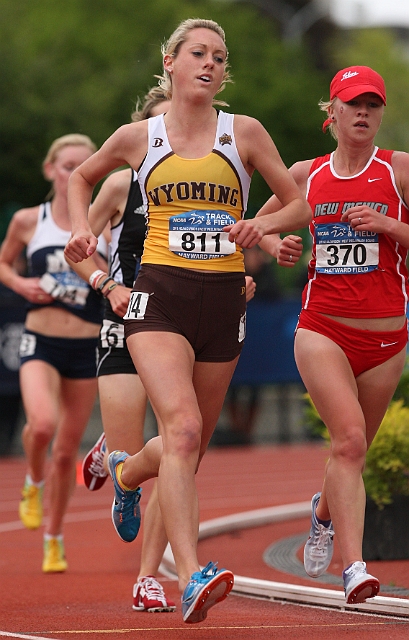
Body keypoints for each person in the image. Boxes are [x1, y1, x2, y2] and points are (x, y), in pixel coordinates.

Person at [65, 17, 311, 624]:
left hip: (225, 299)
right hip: (160, 297)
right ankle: (190, 572)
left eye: (220, 57)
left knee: (189, 447)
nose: (210, 63)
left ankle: (125, 475)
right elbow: (79, 176)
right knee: (181, 428)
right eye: (198, 53)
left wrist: (267, 225)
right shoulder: (137, 136)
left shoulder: (245, 132)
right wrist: (78, 229)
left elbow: (302, 200)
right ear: (170, 63)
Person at [255, 65, 409, 604]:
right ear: (334, 112)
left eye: (373, 104)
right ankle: (354, 567)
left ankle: (322, 512)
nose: (364, 113)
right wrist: (278, 247)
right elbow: (258, 227)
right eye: (354, 104)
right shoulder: (306, 175)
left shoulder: (399, 172)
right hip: (323, 328)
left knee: (353, 451)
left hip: (387, 340)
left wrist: (390, 226)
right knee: (347, 440)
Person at [68, 86, 176, 613]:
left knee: (178, 450)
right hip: (125, 319)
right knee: (136, 455)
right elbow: (78, 249)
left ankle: (148, 577)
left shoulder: (207, 179)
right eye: (157, 129)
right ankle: (116, 459)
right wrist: (104, 283)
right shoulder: (119, 183)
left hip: (180, 322)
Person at [0, 134, 107, 573]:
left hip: (85, 345)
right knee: (41, 424)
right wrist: (19, 283)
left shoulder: (105, 222)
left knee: (67, 452)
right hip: (40, 340)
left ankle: (54, 536)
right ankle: (32, 479)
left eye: (84, 166)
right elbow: (4, 262)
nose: (73, 173)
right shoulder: (30, 220)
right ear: (51, 169)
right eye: (67, 165)